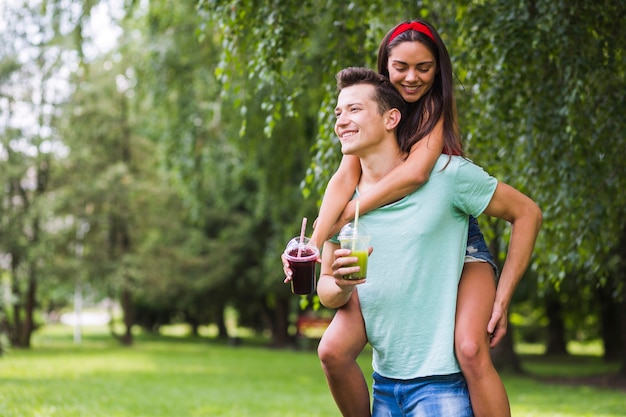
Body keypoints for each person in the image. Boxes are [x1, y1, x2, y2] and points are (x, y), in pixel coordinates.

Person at [296, 21, 518, 417]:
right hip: (390, 233)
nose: (412, 77)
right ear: (386, 65)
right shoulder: (363, 119)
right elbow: (341, 178)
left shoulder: (434, 112)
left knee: (470, 348)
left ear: (438, 71)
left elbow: (416, 175)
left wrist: (352, 211)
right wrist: (313, 245)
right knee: (331, 349)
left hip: (462, 244)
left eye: (424, 68)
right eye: (401, 67)